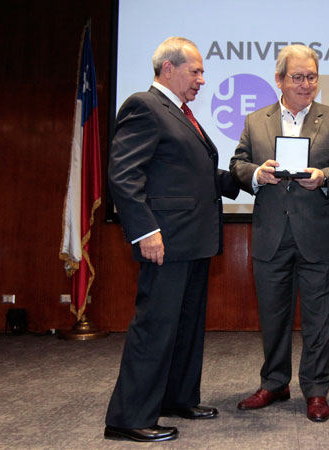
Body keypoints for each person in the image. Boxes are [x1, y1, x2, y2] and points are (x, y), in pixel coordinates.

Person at [104, 36, 239, 443]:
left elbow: (196, 174)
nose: (202, 79)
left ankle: (177, 398)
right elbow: (123, 175)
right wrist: (146, 231)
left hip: (193, 241)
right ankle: (128, 418)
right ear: (168, 68)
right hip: (165, 240)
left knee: (185, 326)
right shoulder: (144, 107)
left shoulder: (181, 113)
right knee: (156, 326)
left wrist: (248, 178)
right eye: (195, 71)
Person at [229, 44, 329, 423]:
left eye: (312, 76)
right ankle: (275, 383)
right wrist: (255, 173)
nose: (305, 84)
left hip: (321, 234)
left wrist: (324, 177)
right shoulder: (256, 120)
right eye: (297, 77)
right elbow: (237, 163)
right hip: (272, 233)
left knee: (319, 319)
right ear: (279, 79)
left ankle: (316, 391)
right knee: (273, 316)